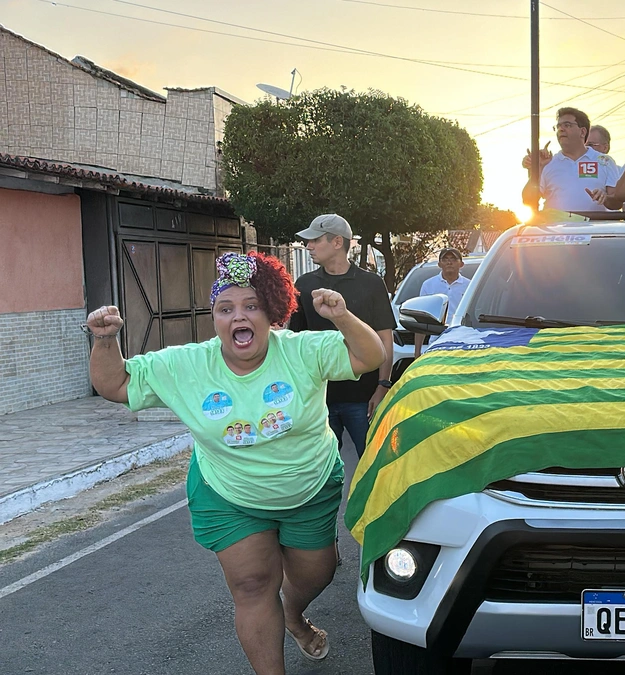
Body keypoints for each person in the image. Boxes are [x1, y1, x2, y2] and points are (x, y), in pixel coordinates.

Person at [84, 252, 385, 673]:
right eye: (226, 309)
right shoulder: (187, 365)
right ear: (215, 318)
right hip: (229, 495)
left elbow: (368, 357)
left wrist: (342, 317)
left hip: (309, 487)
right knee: (251, 585)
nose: (238, 316)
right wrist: (104, 340)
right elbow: (114, 383)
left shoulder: (301, 350)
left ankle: (294, 614)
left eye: (251, 306)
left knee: (318, 573)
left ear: (271, 314)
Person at [290, 214, 396, 457]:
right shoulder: (305, 285)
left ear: (337, 242)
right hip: (318, 397)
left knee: (373, 462)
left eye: (315, 240)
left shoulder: (371, 284)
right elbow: (295, 340)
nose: (309, 246)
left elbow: (384, 338)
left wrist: (383, 386)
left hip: (363, 396)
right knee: (323, 468)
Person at [522, 107, 620, 212]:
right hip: (555, 227)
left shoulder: (605, 162)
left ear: (582, 132)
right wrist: (537, 169)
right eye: (558, 126)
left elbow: (616, 202)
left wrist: (605, 197)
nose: (561, 129)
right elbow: (528, 200)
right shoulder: (548, 163)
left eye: (567, 125)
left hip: (593, 227)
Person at [413, 248, 472, 357]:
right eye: (445, 259)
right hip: (436, 343)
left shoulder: (470, 286)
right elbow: (421, 319)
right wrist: (417, 352)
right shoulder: (428, 285)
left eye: (453, 259)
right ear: (439, 264)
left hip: (463, 342)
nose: (449, 262)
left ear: (461, 264)